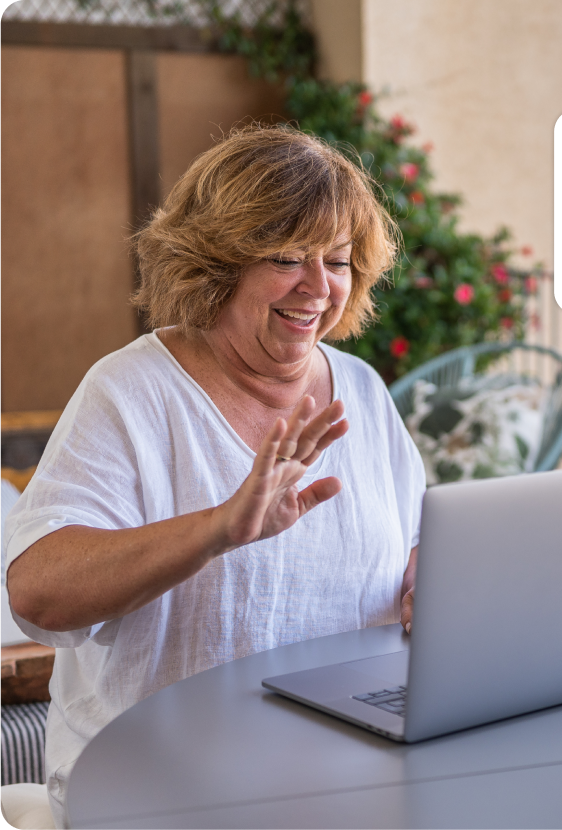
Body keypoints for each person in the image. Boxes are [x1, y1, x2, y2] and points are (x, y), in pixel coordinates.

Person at [2, 125, 425, 829]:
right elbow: (37, 592)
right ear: (215, 261)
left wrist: (425, 577)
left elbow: (411, 543)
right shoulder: (132, 392)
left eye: (339, 261)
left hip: (342, 775)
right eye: (287, 257)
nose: (318, 288)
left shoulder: (364, 391)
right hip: (160, 787)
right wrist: (219, 528)